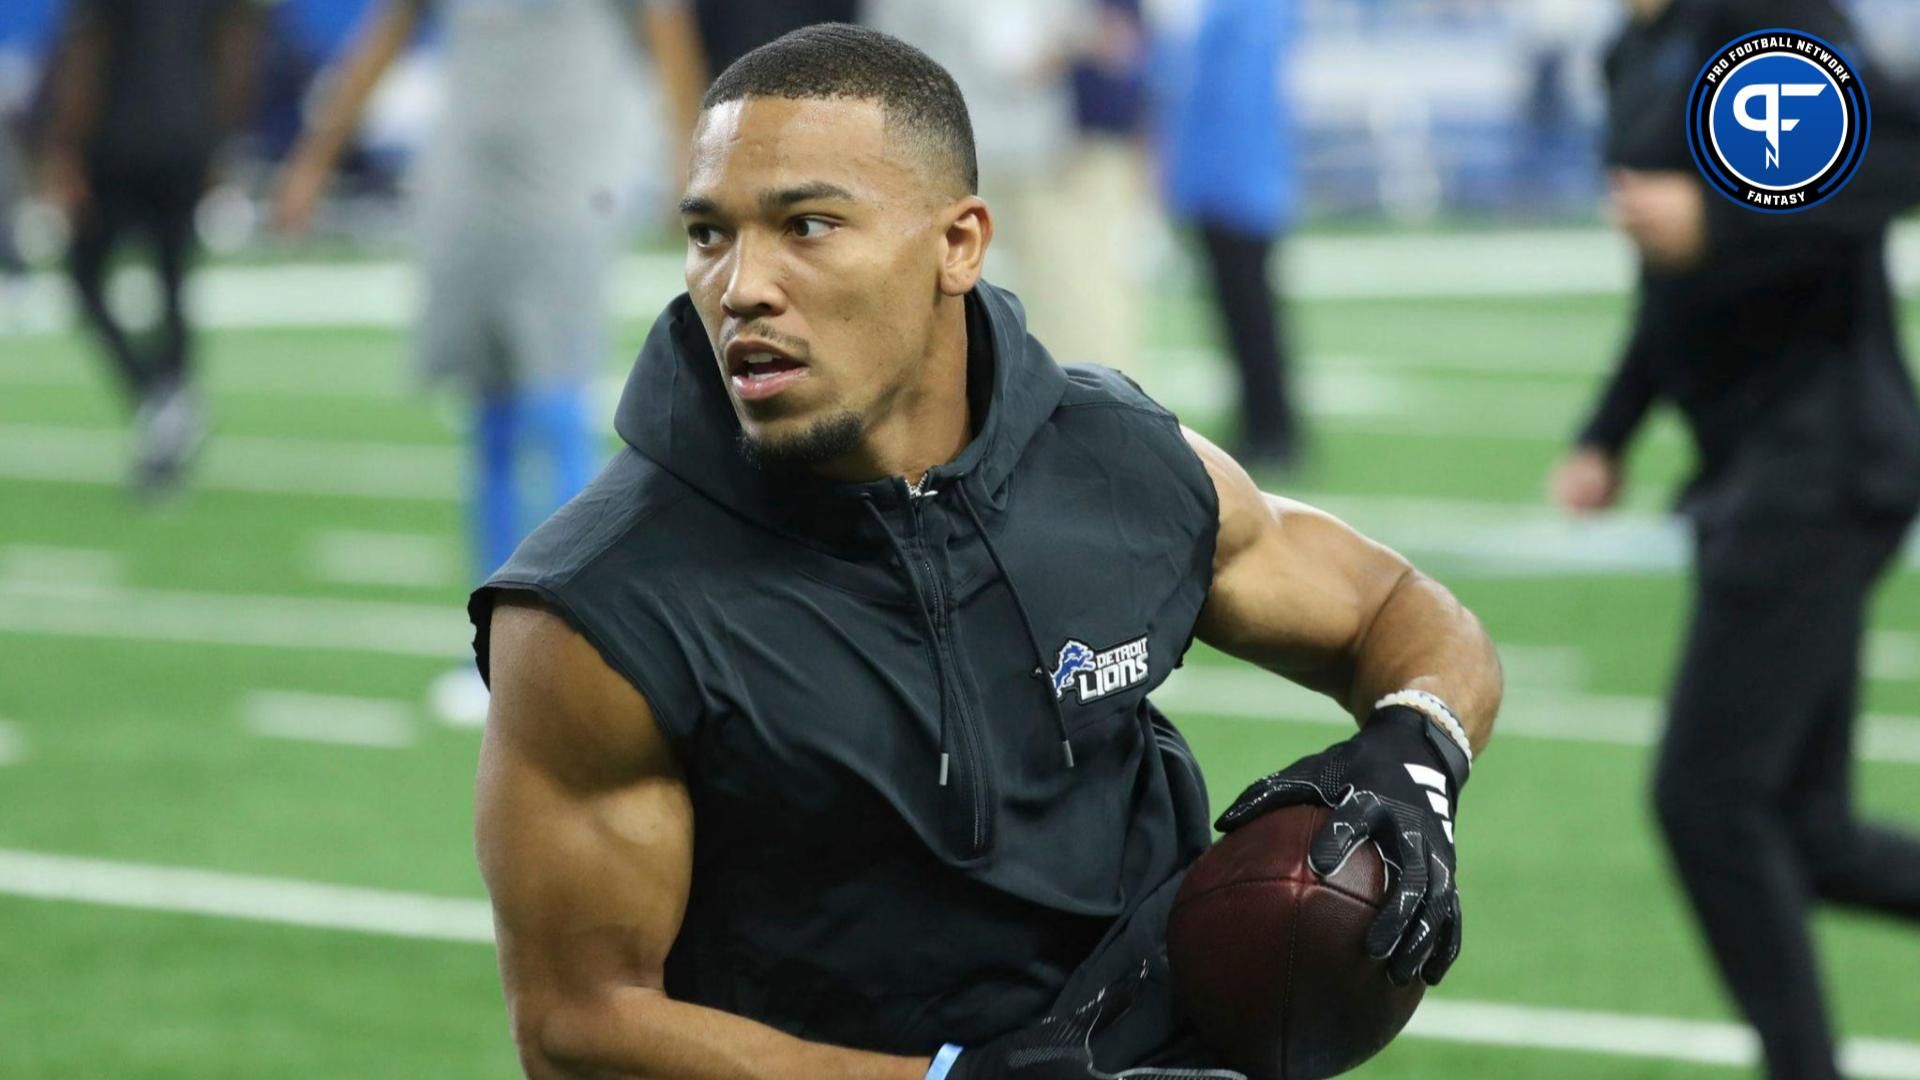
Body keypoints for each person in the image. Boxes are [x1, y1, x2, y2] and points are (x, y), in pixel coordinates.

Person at [472, 24, 1501, 1079]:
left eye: (807, 225)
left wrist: (1416, 748)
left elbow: (1395, 614)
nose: (741, 287)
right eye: (707, 234)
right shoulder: (598, 608)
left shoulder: (1118, 464)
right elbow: (579, 1025)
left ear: (958, 245)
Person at [1549, 2, 1920, 1077]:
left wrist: (1723, 215)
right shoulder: (1630, 51)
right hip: (1744, 469)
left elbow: (1900, 150)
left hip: (1824, 459)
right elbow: (1665, 278)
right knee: (1808, 837)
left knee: (1708, 802)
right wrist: (1610, 430)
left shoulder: (1770, 17)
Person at [273, 0, 708, 724]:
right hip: (468, 171)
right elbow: (387, 32)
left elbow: (666, 26)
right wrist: (313, 158)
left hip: (573, 168)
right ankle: (495, 645)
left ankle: (594, 643)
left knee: (557, 408)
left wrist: (692, 161)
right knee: (489, 416)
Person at [39, 0, 264, 499]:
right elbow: (236, 49)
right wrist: (219, 138)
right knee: (172, 279)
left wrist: (66, 148)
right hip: (186, 136)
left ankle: (157, 397)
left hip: (119, 140)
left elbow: (88, 52)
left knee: (84, 274)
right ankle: (171, 403)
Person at [1158, 0, 1301, 471]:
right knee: (1242, 315)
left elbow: (1225, 98)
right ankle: (1263, 422)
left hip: (1235, 184)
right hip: (1234, 181)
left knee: (1251, 314)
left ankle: (1272, 428)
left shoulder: (1247, 11)